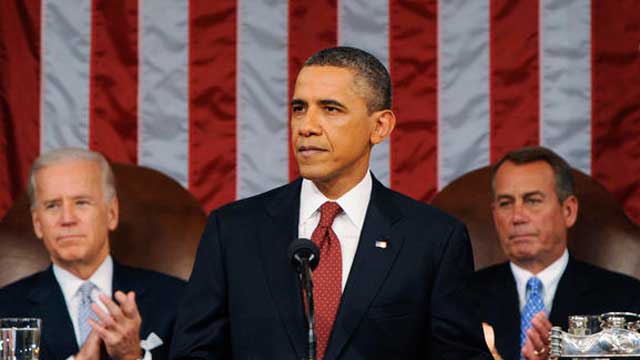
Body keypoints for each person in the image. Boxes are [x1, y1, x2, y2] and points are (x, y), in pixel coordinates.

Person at [170, 46, 490, 360]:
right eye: (299, 108)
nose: (306, 126)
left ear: (379, 126)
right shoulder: (233, 231)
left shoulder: (433, 239)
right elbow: (193, 352)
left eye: (330, 108)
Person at [0, 148, 185, 360]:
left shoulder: (175, 300)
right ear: (37, 223)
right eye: (52, 206)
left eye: (81, 202)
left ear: (111, 213)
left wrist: (133, 357)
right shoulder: (5, 309)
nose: (67, 218)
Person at [470, 146, 640, 360]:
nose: (517, 217)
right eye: (506, 203)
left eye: (532, 200)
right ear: (495, 216)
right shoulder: (463, 298)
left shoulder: (626, 299)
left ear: (568, 211)